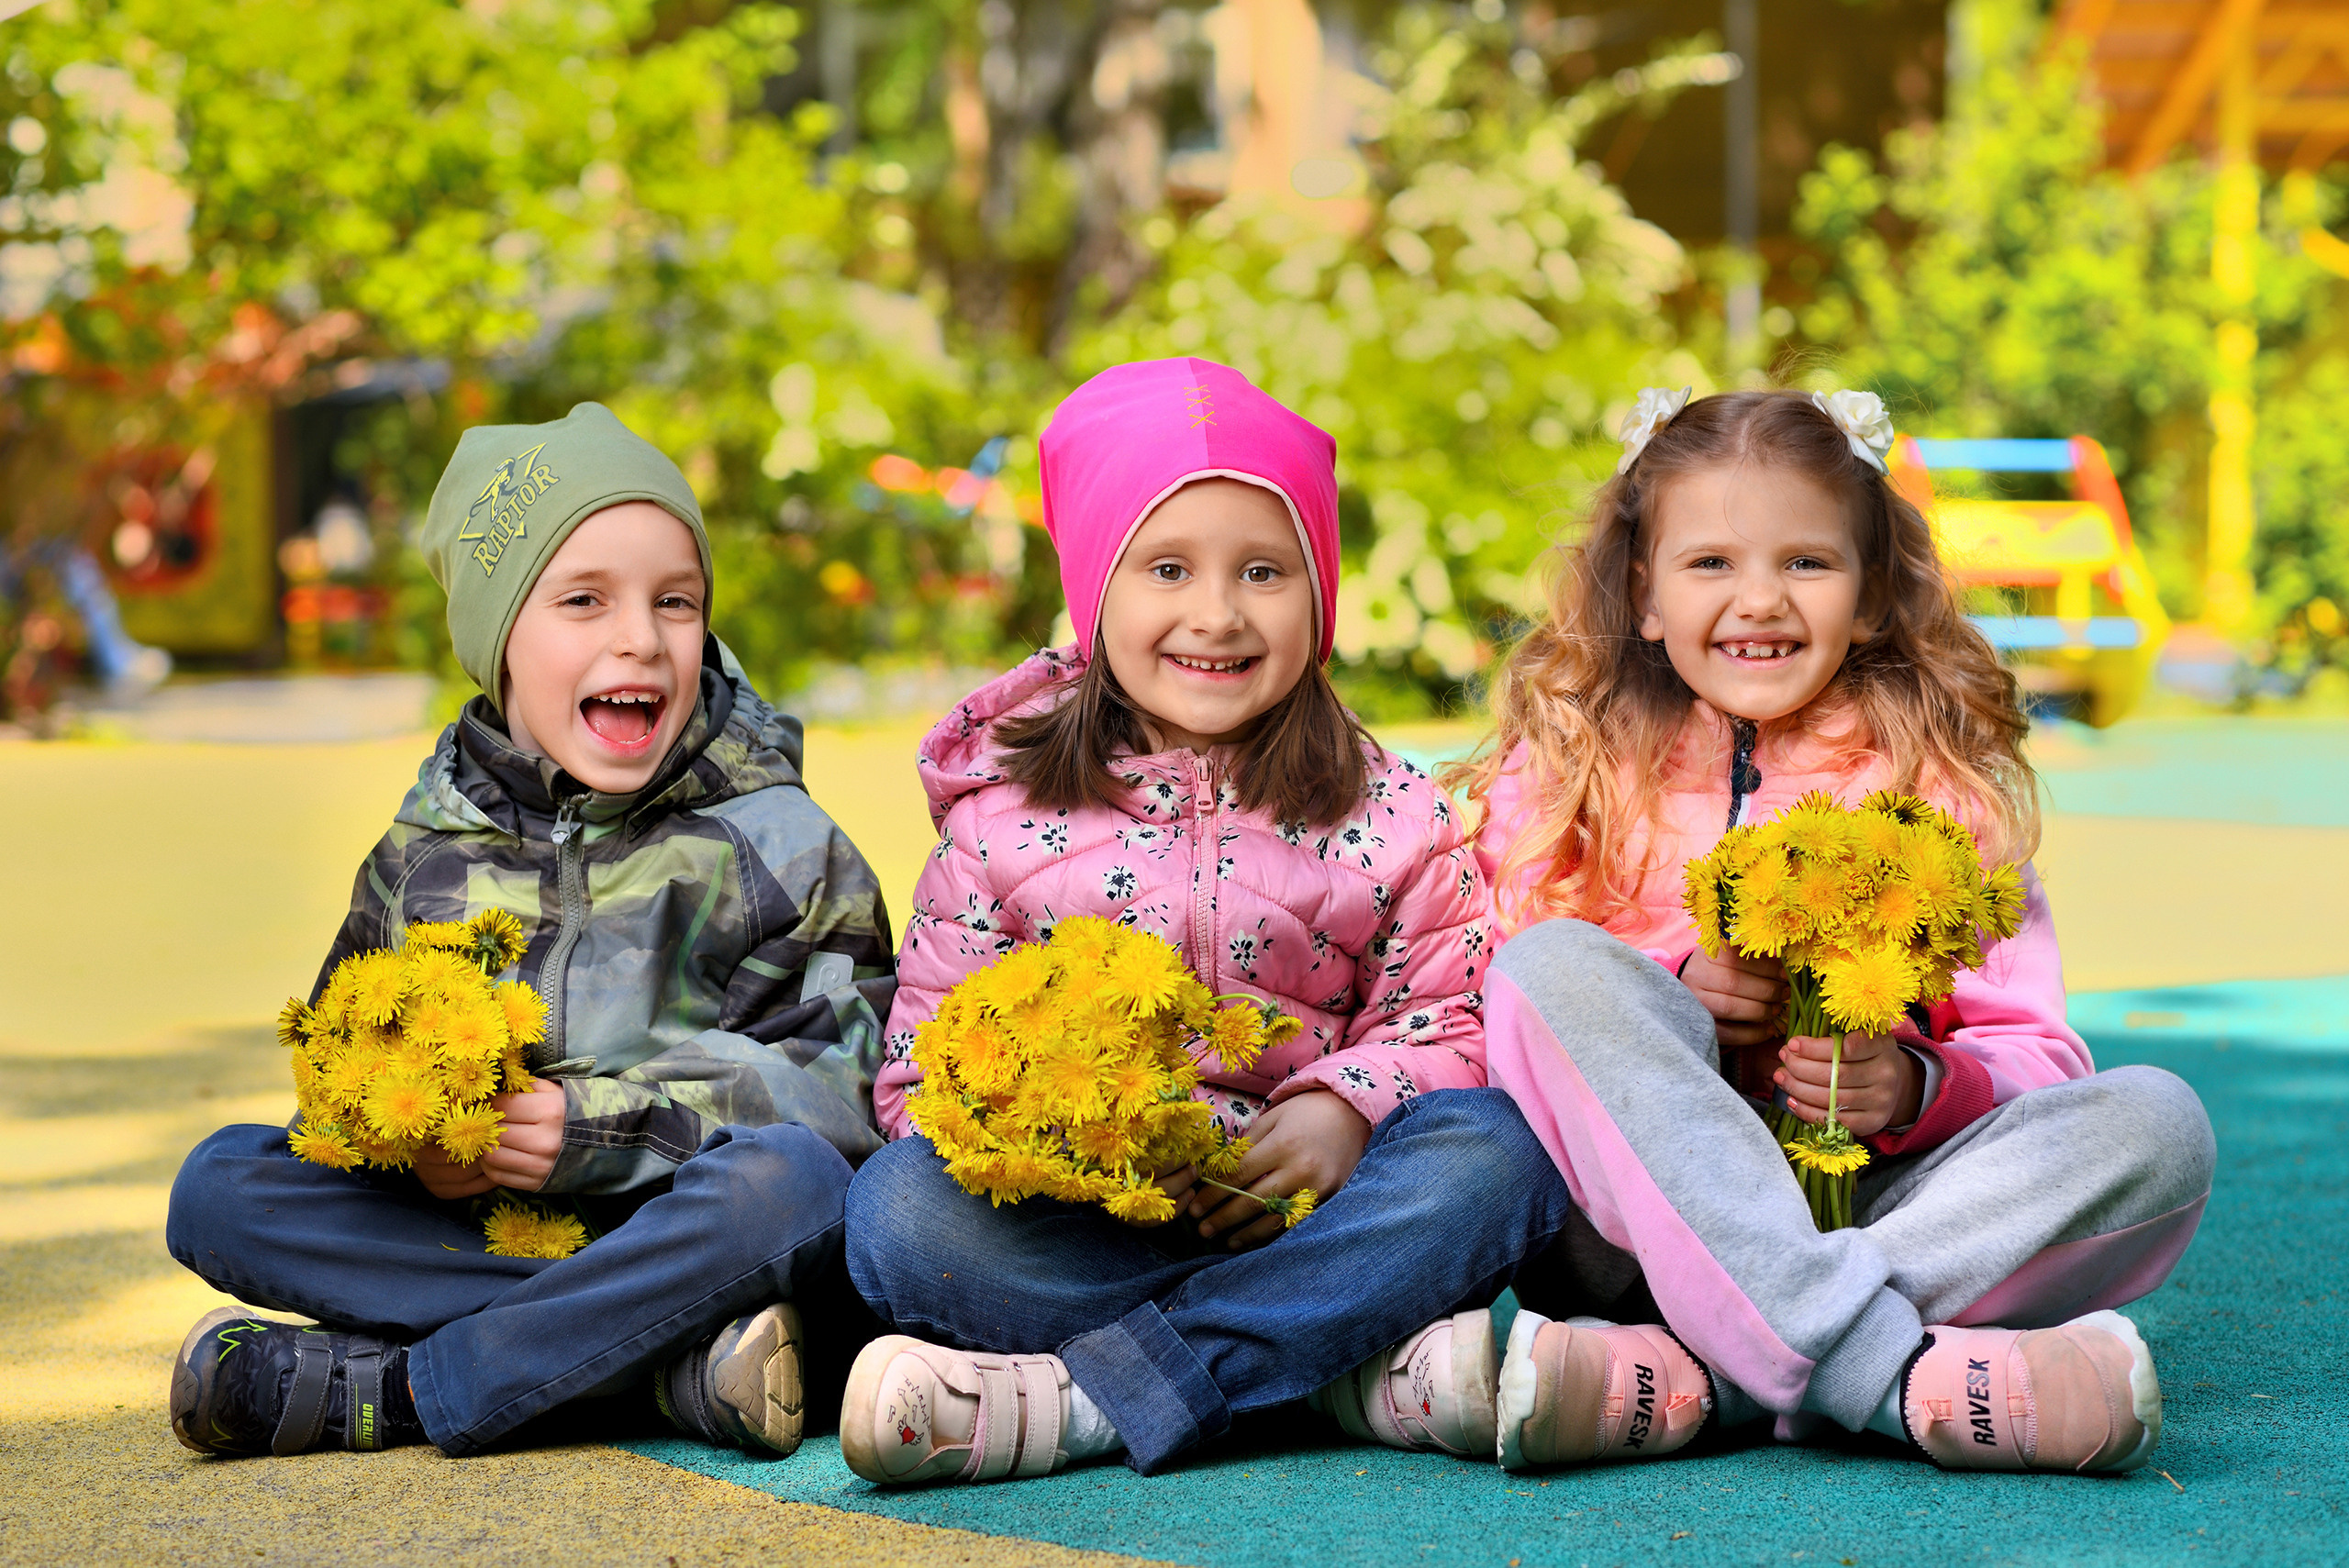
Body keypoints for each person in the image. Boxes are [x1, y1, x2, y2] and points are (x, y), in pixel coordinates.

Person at [838, 358, 1577, 1484]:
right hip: (1087, 1228)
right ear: (1096, 589)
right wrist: (1064, 1146)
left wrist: (1345, 1108)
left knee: (1504, 1155)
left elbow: (1460, 1022)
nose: (1218, 614)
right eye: (1168, 568)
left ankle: (1089, 1395)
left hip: (1314, 1214)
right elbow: (916, 1085)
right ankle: (1327, 1365)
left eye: (1264, 571)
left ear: (1319, 592)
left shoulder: (1393, 814)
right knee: (897, 1214)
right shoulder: (999, 822)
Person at [1452, 387, 2215, 1474]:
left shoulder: (1941, 791)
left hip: (1875, 1205)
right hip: (1632, 1239)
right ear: (1644, 594)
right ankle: (1886, 1376)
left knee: (2159, 1123)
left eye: (1806, 563)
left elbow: (2038, 1055)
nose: (1758, 599)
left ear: (1868, 595)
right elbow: (1491, 1016)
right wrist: (1675, 992)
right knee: (1549, 966)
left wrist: (1915, 1087)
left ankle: (1705, 1377)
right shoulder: (1566, 770)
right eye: (1709, 562)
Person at [166, 402, 895, 1462]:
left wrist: (599, 1130)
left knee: (794, 1187)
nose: (640, 635)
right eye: (584, 600)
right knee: (220, 1186)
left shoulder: (777, 840)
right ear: (497, 639)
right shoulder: (422, 854)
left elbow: (845, 1094)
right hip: (490, 1241)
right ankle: (654, 1369)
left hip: (681, 1234)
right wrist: (413, 1143)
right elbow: (340, 1075)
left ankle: (410, 1385)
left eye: (675, 601)